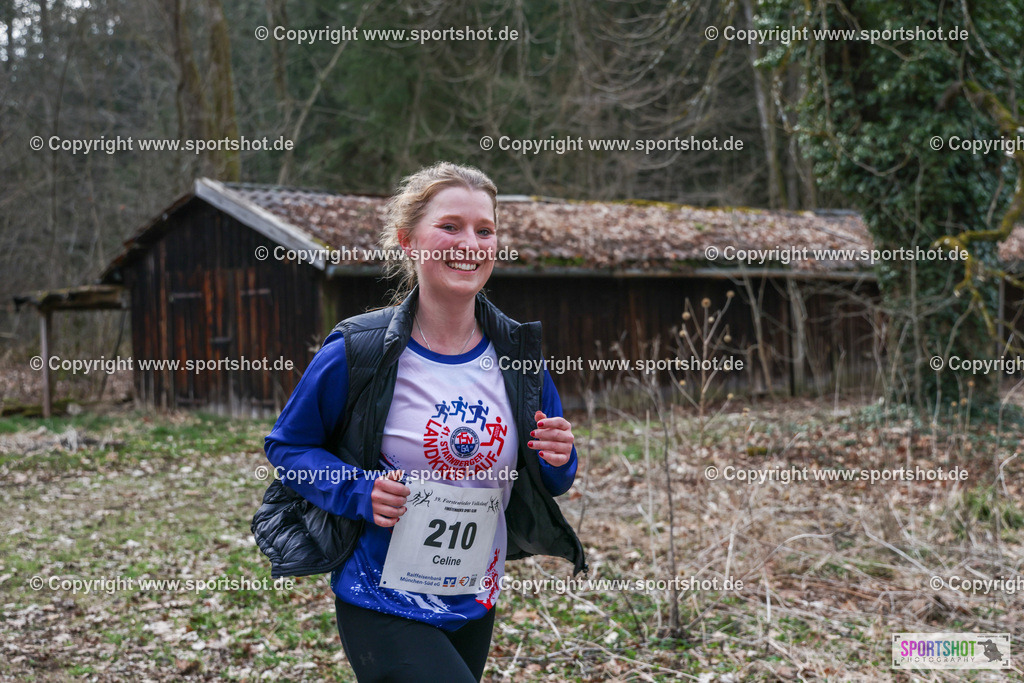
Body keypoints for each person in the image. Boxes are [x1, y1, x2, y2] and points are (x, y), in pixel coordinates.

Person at [263, 162, 586, 682]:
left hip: (474, 594)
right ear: (408, 240)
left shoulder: (517, 355)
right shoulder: (359, 349)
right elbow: (287, 449)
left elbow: (553, 478)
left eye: (485, 230)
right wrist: (358, 490)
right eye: (450, 226)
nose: (470, 243)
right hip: (382, 597)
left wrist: (561, 455)